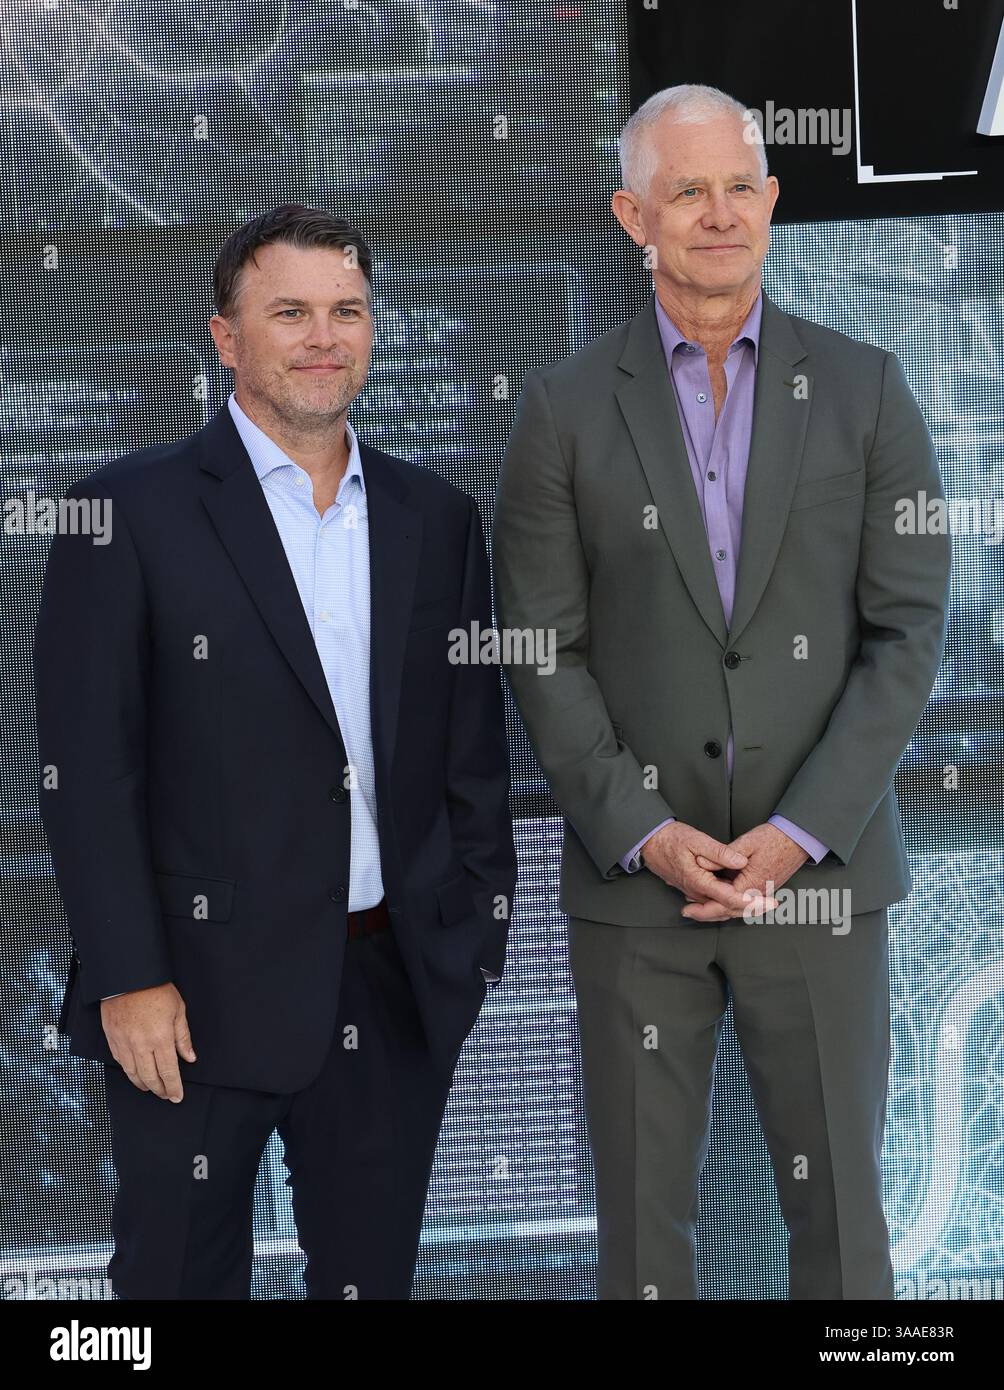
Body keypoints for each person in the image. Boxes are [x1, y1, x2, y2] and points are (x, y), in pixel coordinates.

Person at [492, 84, 951, 1299]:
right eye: (684, 189)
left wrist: (798, 835)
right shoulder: (564, 409)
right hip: (637, 890)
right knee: (642, 1239)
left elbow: (904, 634)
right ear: (631, 214)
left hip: (821, 881)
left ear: (771, 201)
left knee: (845, 1234)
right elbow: (538, 646)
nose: (715, 213)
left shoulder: (864, 388)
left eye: (738, 185)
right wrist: (642, 832)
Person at [34, 204, 516, 1300]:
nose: (321, 335)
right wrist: (129, 978)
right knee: (170, 1288)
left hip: (385, 981)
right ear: (225, 336)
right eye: (288, 311)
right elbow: (85, 775)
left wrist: (467, 935)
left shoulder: (432, 518)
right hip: (187, 1001)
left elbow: (470, 756)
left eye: (346, 310)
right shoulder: (124, 513)